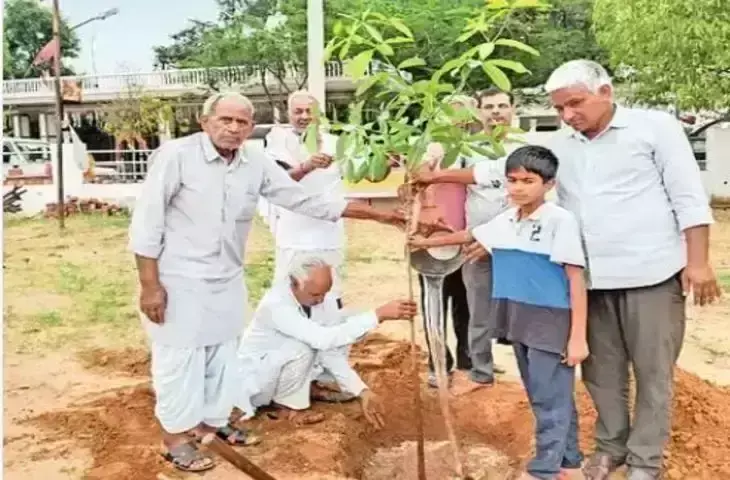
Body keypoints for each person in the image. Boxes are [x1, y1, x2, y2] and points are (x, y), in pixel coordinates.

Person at [128, 92, 417, 473]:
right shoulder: (176, 156)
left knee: (222, 357)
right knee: (179, 359)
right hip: (178, 279)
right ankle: (176, 440)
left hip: (227, 279)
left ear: (251, 127)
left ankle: (213, 424)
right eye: (225, 120)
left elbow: (304, 201)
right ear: (205, 121)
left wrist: (380, 216)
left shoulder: (254, 163)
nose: (232, 129)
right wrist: (151, 285)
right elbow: (147, 223)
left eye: (241, 122)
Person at [542, 60, 720, 480]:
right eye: (560, 109)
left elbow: (688, 196)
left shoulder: (654, 128)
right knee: (601, 373)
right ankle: (611, 449)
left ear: (605, 92)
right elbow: (511, 175)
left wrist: (697, 262)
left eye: (575, 103)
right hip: (591, 282)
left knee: (653, 373)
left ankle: (645, 461)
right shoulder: (563, 145)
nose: (568, 115)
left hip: (653, 276)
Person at [411, 145, 589, 480]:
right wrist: (421, 244)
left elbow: (575, 278)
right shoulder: (507, 219)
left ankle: (543, 470)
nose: (518, 187)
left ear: (549, 184)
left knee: (550, 397)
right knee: (542, 392)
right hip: (518, 317)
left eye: (528, 180)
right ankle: (570, 463)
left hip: (549, 320)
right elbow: (469, 235)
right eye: (512, 180)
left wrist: (577, 336)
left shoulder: (558, 221)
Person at [412, 88, 519, 390]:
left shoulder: (484, 147)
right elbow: (419, 176)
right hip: (443, 241)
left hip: (474, 241)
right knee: (437, 305)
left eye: (464, 112)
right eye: (452, 112)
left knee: (470, 307)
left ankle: (469, 360)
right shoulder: (437, 147)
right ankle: (438, 363)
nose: (458, 120)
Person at [236, 253, 417, 428]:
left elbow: (329, 350)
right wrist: (377, 315)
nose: (321, 299)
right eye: (315, 295)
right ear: (294, 283)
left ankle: (307, 389)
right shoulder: (276, 305)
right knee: (304, 346)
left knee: (338, 330)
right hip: (258, 379)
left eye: (324, 293)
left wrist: (362, 391)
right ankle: (287, 407)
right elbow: (322, 340)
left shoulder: (322, 299)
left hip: (283, 368)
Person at [265, 90, 348, 305]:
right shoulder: (278, 142)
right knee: (292, 295)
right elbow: (279, 182)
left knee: (330, 294)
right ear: (288, 114)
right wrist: (306, 166)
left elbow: (363, 173)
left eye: (309, 112)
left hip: (329, 234)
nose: (303, 116)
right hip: (294, 236)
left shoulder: (336, 142)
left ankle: (330, 337)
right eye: (298, 111)